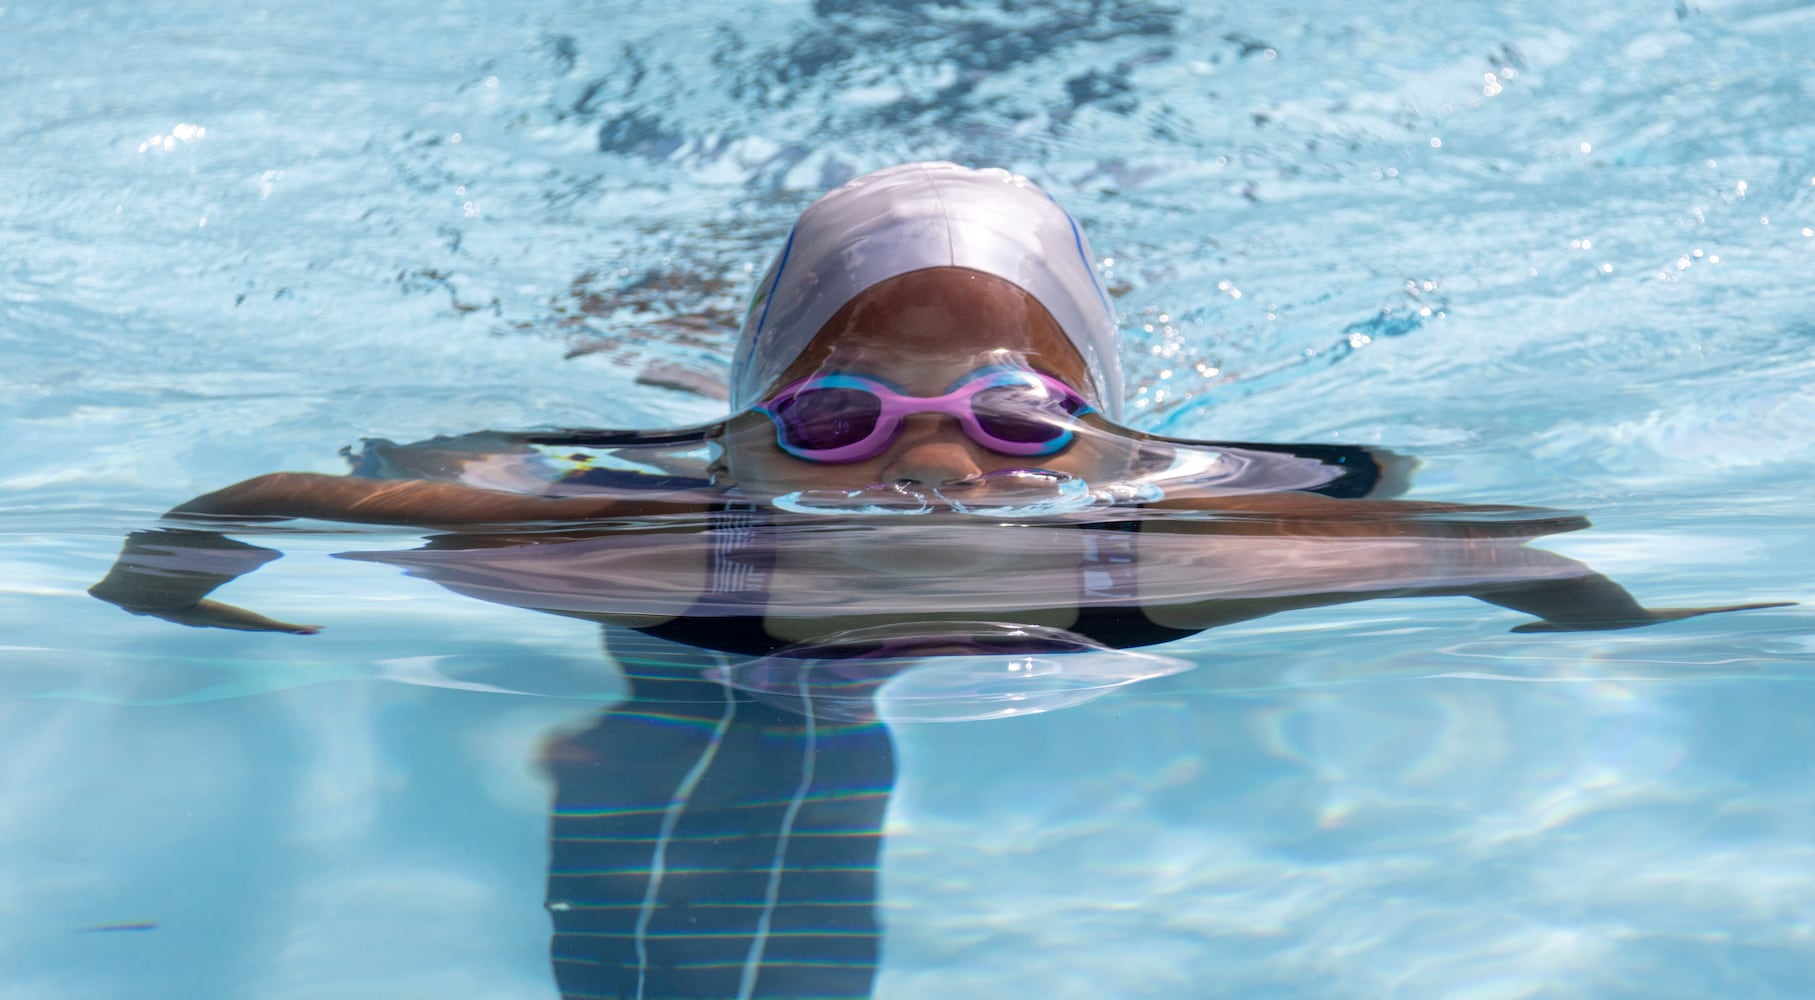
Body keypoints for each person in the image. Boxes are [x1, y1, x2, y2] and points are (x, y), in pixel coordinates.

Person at [89, 161, 1786, 999]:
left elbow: (1499, 555)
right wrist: (174, 604)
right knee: (696, 730)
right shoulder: (649, 536)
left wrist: (1634, 637)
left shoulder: (1172, 550)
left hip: (777, 615)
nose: (934, 467)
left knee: (735, 746)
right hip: (719, 615)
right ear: (758, 428)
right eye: (838, 416)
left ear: (1101, 434)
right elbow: (271, 501)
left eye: (1017, 420)